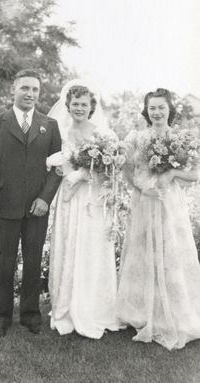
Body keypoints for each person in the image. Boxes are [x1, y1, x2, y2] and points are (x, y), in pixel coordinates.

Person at [116, 88, 200, 350]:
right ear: (146, 110)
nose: (156, 112)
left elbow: (195, 174)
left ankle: (170, 312)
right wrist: (141, 188)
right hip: (144, 202)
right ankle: (142, 312)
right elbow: (126, 171)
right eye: (152, 108)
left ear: (169, 109)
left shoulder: (180, 138)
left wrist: (173, 173)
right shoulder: (137, 137)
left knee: (169, 253)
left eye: (161, 107)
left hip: (169, 204)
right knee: (143, 254)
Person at [0, 69, 62, 337]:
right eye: (25, 88)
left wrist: (45, 198)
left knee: (33, 261)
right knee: (4, 262)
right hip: (4, 206)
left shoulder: (49, 125)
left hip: (36, 207)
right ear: (13, 90)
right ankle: (0, 318)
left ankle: (30, 315)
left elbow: (57, 168)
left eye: (35, 90)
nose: (30, 94)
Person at [48, 81, 120, 339]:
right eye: (75, 104)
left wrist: (82, 173)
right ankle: (66, 307)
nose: (79, 108)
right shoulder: (59, 132)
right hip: (68, 199)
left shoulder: (103, 135)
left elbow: (109, 170)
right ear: (67, 106)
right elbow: (56, 163)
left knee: (91, 250)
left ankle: (93, 308)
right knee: (69, 247)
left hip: (91, 202)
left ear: (91, 107)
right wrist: (65, 170)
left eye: (84, 104)